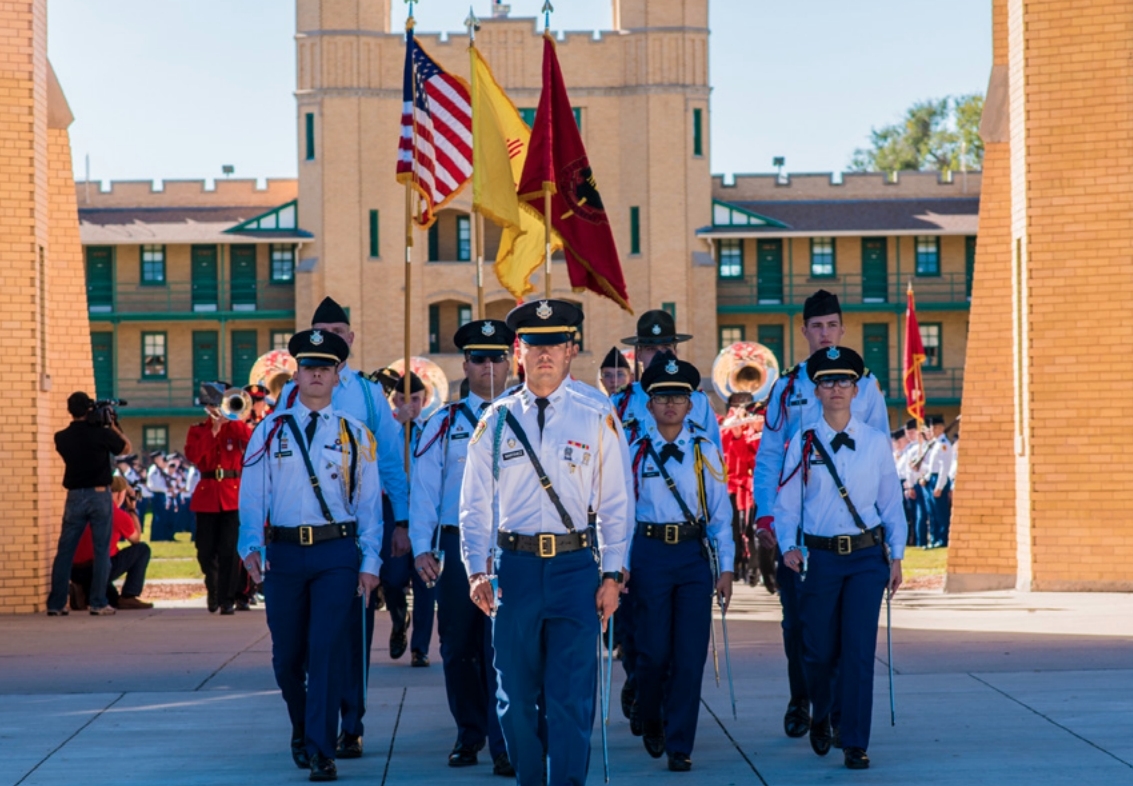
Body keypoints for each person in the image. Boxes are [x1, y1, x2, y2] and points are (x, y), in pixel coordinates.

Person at [460, 299, 630, 786]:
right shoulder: (495, 420)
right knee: (513, 698)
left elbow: (616, 504)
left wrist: (613, 574)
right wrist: (476, 569)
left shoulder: (595, 416)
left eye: (556, 343)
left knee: (571, 696)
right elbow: (475, 504)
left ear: (572, 349)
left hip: (575, 568)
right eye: (534, 345)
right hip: (514, 569)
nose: (545, 354)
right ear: (519, 351)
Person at [238, 329, 383, 783]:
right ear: (296, 374)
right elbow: (252, 495)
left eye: (325, 367)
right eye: (308, 367)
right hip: (284, 553)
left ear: (338, 375)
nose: (316, 374)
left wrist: (370, 563)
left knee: (324, 652)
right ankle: (302, 730)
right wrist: (249, 546)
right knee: (286, 659)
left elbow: (369, 505)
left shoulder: (355, 434)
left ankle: (322, 749)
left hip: (336, 553)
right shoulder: (270, 429)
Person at [274, 296, 410, 761]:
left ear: (351, 338)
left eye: (338, 330)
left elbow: (389, 461)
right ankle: (312, 723)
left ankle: (350, 724)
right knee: (301, 644)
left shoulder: (369, 393)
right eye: (321, 329)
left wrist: (402, 523)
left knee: (351, 631)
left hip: (352, 531)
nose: (331, 337)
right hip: (296, 538)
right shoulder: (290, 394)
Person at [751, 289, 889, 741]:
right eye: (817, 326)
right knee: (799, 624)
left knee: (844, 631)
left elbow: (878, 456)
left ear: (842, 329)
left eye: (832, 325)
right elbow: (770, 455)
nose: (824, 332)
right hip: (798, 531)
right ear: (804, 330)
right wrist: (768, 516)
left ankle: (833, 711)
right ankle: (802, 697)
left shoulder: (864, 386)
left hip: (845, 529)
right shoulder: (787, 387)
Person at [773, 346, 905, 770]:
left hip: (866, 559)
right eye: (827, 381)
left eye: (844, 381)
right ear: (816, 390)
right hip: (821, 558)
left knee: (859, 651)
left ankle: (854, 740)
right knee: (817, 649)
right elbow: (788, 501)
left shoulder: (875, 442)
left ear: (856, 388)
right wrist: (788, 544)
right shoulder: (802, 441)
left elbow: (891, 503)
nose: (836, 388)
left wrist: (897, 555)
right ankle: (823, 712)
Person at [412, 319, 515, 776]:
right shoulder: (444, 423)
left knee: (504, 649)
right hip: (455, 549)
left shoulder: (526, 415)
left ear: (510, 362)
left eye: (497, 358)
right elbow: (424, 490)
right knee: (457, 647)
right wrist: (421, 547)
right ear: (465, 364)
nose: (489, 367)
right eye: (479, 359)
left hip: (512, 549)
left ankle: (503, 742)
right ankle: (468, 734)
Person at [627, 355, 734, 772]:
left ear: (691, 404)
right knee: (652, 653)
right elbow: (620, 512)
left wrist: (725, 568)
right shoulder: (633, 450)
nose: (670, 404)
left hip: (692, 557)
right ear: (649, 404)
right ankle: (650, 713)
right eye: (661, 397)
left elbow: (720, 515)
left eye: (679, 397)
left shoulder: (704, 449)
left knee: (690, 655)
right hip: (649, 554)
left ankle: (680, 742)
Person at [47, 392, 131, 616]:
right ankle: (98, 601)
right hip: (99, 494)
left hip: (74, 495)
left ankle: (56, 604)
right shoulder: (101, 434)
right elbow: (125, 449)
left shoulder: (61, 437)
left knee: (65, 550)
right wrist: (111, 424)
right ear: (89, 409)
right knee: (101, 550)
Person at [376, 368, 436, 668]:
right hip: (391, 510)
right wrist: (396, 426)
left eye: (414, 399)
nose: (408, 404)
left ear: (424, 402)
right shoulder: (385, 431)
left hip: (423, 509)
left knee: (426, 580)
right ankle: (399, 618)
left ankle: (420, 646)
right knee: (393, 576)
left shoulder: (431, 431)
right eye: (402, 398)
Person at [613, 310, 722, 449]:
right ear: (639, 354)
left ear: (675, 352)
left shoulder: (698, 400)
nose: (660, 355)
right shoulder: (621, 401)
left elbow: (715, 454)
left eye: (666, 347)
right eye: (651, 349)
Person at [185, 395, 254, 614]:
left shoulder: (236, 428)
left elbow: (252, 440)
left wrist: (232, 419)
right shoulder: (198, 430)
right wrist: (213, 430)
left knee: (229, 551)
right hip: (207, 494)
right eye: (214, 405)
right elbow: (194, 455)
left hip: (232, 495)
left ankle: (226, 599)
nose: (218, 409)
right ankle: (213, 588)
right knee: (205, 551)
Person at [70, 474, 153, 611]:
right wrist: (131, 508)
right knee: (142, 550)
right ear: (121, 494)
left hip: (75, 570)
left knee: (113, 601)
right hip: (98, 568)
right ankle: (129, 596)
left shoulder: (86, 508)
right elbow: (136, 539)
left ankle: (82, 592)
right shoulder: (116, 513)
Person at [924, 415, 954, 547]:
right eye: (932, 428)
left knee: (940, 512)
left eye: (936, 427)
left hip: (939, 479)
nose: (933, 430)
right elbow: (932, 466)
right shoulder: (935, 443)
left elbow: (944, 467)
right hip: (932, 478)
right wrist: (926, 478)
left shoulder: (944, 445)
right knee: (932, 511)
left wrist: (939, 486)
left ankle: (942, 539)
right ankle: (934, 538)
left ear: (942, 428)